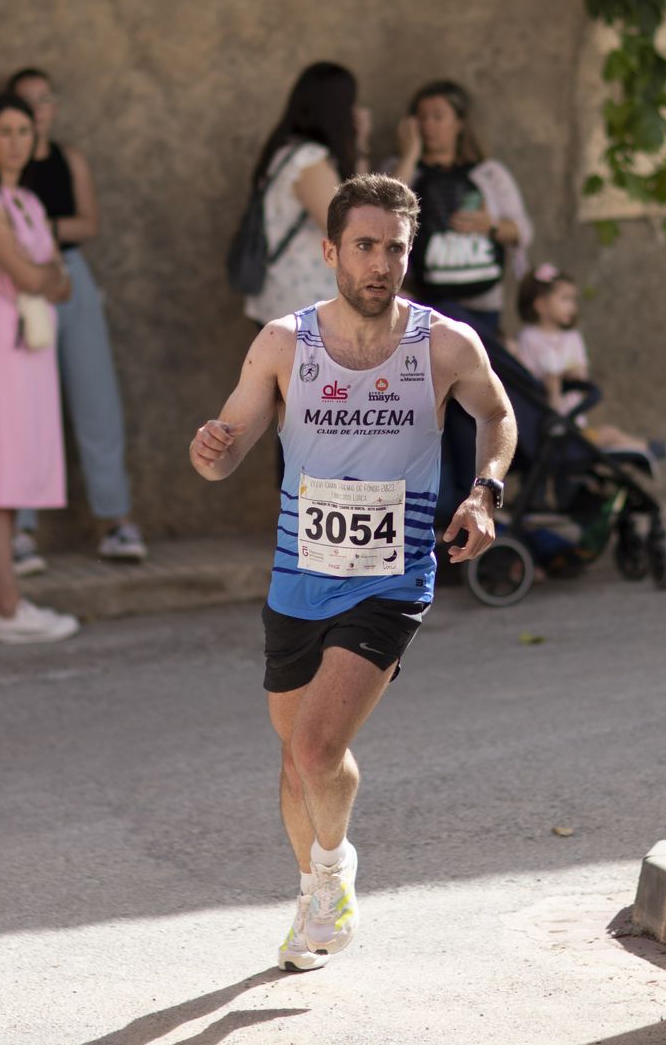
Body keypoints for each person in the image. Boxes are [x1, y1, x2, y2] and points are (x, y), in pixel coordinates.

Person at [190, 174, 517, 972]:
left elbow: (499, 415)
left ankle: (333, 872)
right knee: (297, 756)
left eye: (395, 249)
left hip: (391, 575)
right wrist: (214, 450)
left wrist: (484, 495)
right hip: (298, 573)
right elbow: (231, 436)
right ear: (332, 250)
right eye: (364, 246)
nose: (380, 263)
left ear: (411, 254)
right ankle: (313, 893)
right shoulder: (282, 343)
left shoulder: (444, 344)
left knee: (315, 745)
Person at [5, 67, 145, 573]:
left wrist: (43, 224)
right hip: (21, 283)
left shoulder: (70, 159)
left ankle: (116, 522)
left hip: (72, 274)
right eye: (25, 102)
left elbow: (89, 222)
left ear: (53, 106)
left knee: (97, 399)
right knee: (25, 408)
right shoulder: (2, 165)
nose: (36, 110)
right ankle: (20, 532)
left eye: (44, 99)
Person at [0, 92, 80, 644]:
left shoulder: (26, 200)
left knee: (14, 469)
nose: (14, 142)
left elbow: (62, 280)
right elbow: (34, 277)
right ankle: (7, 608)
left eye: (23, 132)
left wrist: (43, 274)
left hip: (31, 344)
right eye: (3, 131)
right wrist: (42, 274)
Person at [389, 79, 532, 339]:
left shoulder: (489, 174)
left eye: (438, 117)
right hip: (422, 301)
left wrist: (490, 226)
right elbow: (385, 212)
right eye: (421, 118)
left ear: (460, 123)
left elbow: (522, 232)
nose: (428, 125)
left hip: (481, 302)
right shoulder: (403, 171)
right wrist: (409, 154)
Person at [244, 62, 373, 330]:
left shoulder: (287, 151)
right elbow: (348, 226)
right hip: (301, 302)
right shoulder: (309, 161)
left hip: (285, 295)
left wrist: (358, 146)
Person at [514, 264, 666, 462]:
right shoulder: (528, 338)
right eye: (565, 299)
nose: (572, 307)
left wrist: (570, 374)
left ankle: (646, 448)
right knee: (608, 435)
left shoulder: (572, 337)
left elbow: (581, 371)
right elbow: (526, 375)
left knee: (607, 435)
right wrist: (551, 382)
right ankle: (648, 448)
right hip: (548, 423)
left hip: (574, 420)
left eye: (573, 300)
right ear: (540, 305)